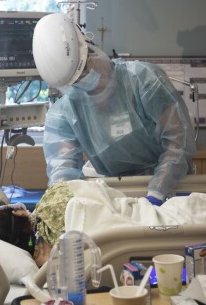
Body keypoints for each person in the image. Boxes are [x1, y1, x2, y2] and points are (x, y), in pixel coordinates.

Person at [32, 13, 197, 206]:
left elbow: (178, 142)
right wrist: (62, 206)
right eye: (75, 82)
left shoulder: (143, 80)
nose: (84, 81)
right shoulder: (64, 113)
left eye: (85, 68)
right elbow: (62, 170)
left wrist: (158, 191)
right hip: (116, 194)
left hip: (171, 188)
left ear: (89, 48)